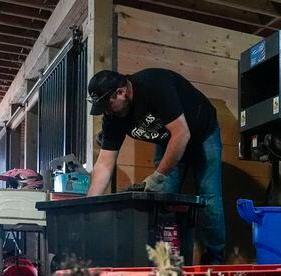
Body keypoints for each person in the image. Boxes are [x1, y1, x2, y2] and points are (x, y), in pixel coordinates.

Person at [86, 69, 225, 264]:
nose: (106, 111)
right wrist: (89, 207)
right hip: (169, 139)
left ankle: (214, 260)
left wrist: (158, 176)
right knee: (161, 200)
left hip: (201, 133)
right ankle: (164, 260)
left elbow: (182, 134)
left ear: (121, 92)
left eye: (107, 105)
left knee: (209, 198)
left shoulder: (154, 85)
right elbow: (104, 163)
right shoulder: (113, 117)